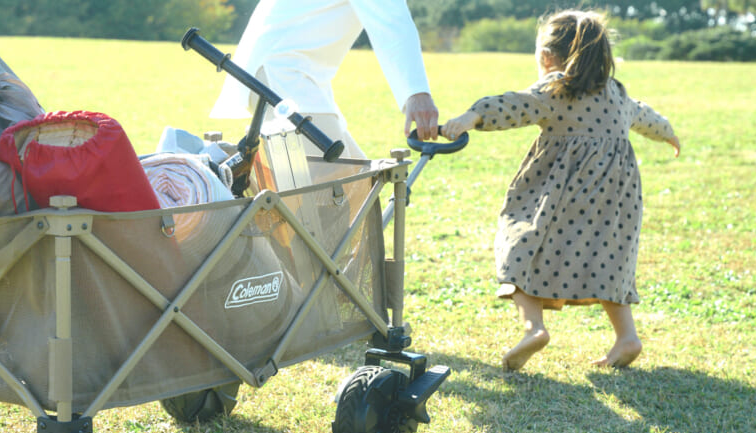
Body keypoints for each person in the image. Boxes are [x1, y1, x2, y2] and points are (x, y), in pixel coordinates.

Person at [441, 9, 680, 371]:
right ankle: (627, 337)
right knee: (608, 261)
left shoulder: (555, 89)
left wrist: (470, 117)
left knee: (519, 244)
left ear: (547, 58)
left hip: (558, 196)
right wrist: (668, 133)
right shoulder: (616, 93)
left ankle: (533, 329)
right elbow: (645, 115)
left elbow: (512, 105)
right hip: (613, 202)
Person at [210, 0, 439, 159]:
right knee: (334, 201)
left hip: (284, 75)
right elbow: (393, 25)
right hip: (283, 76)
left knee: (362, 189)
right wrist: (416, 94)